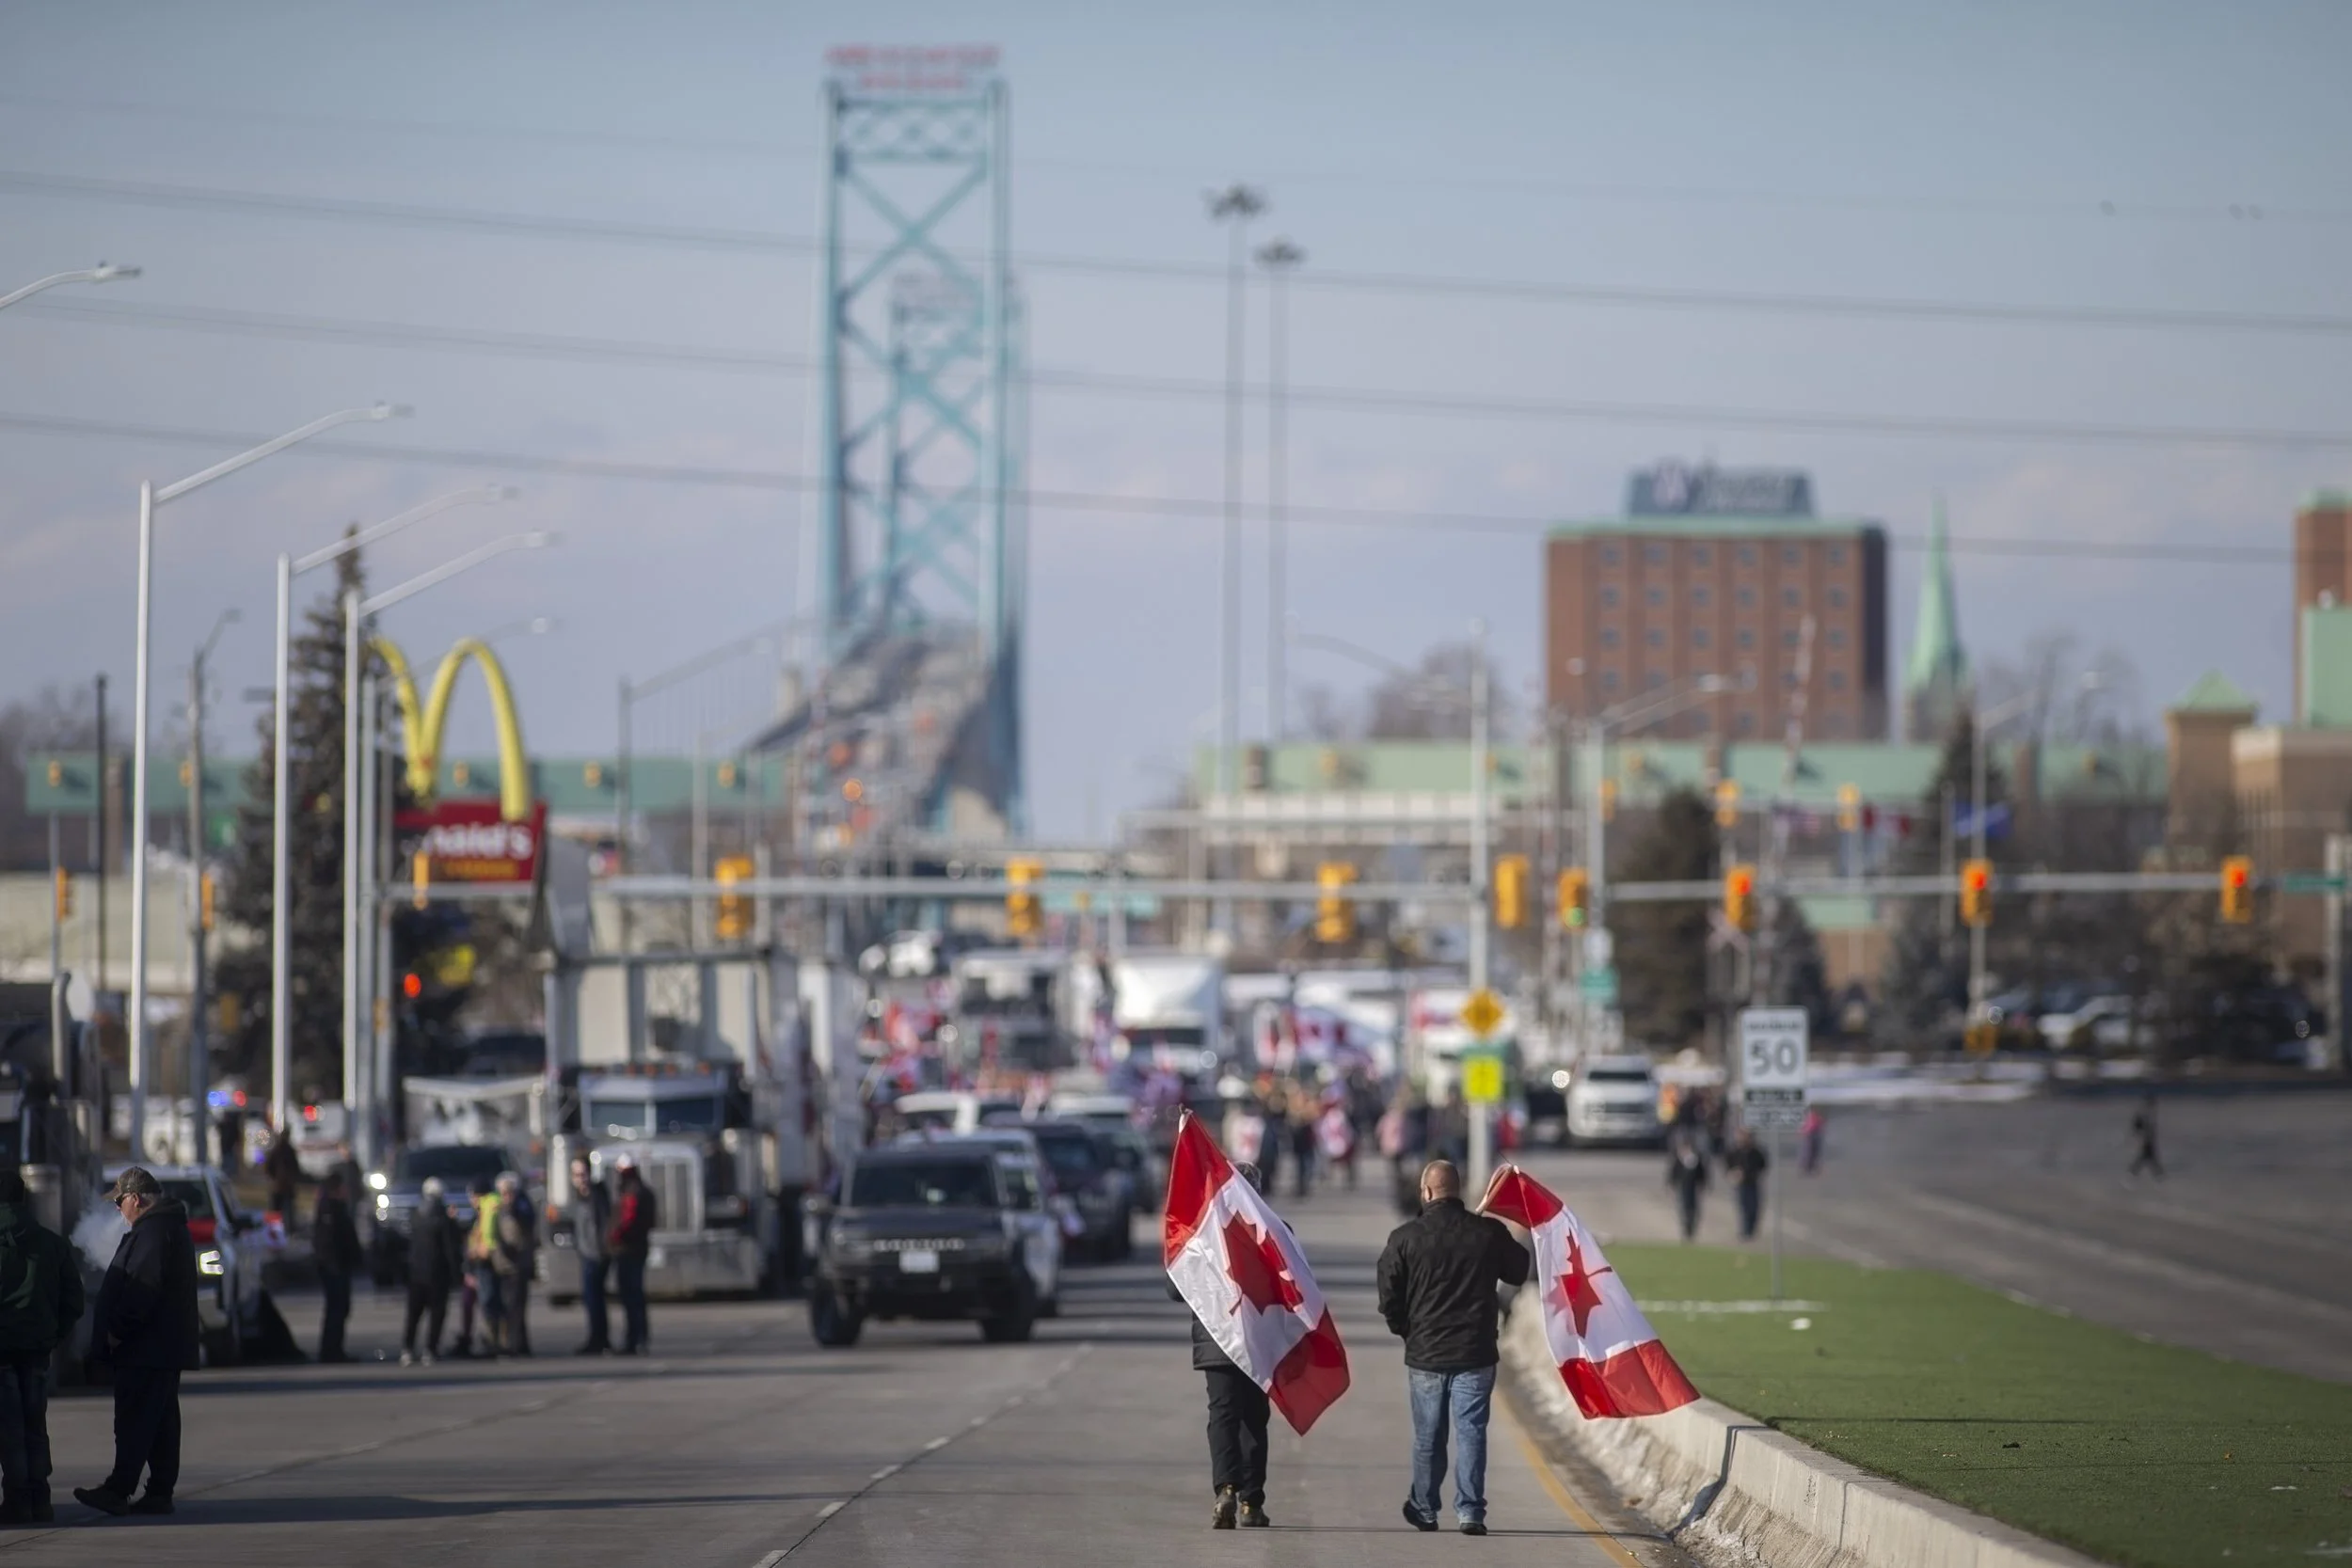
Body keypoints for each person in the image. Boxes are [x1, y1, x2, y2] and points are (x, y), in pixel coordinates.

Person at [1375, 1159, 1531, 1537]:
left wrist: (1405, 1330)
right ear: (1458, 1191)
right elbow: (1519, 1271)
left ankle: (1425, 1508)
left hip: (1426, 1353)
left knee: (1429, 1436)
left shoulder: (1404, 1238)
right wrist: (1515, 1232)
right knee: (1472, 1432)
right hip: (1476, 1352)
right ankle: (1471, 1511)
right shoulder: (1487, 1233)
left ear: (1427, 1192)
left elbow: (1388, 1295)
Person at [75, 1166, 199, 1518]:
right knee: (159, 1422)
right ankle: (159, 1491)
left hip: (147, 1347)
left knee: (135, 1419)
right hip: (158, 1347)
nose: (118, 1210)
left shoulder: (154, 1231)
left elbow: (142, 1288)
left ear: (135, 1198)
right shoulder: (161, 1227)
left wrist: (118, 1329)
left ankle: (119, 1488)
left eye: (119, 1202)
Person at [1169, 1161, 1276, 1529]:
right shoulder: (1274, 1231)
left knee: (1223, 1414)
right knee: (1254, 1419)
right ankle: (1251, 1503)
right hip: (1258, 1340)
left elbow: (1173, 1289)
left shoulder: (1200, 1236)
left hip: (1216, 1339)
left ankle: (1226, 1489)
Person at [0, 1168, 84, 1523]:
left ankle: (18, 1500)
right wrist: (51, 1337)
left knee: (9, 1428)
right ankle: (40, 1498)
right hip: (37, 1350)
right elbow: (73, 1302)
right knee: (35, 1424)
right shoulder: (52, 1243)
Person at [401, 1177, 460, 1366]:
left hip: (416, 1273)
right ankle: (430, 1350)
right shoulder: (443, 1218)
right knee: (436, 1313)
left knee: (413, 1314)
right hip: (437, 1273)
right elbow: (450, 1247)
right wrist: (455, 1273)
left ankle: (407, 1349)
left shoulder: (415, 1216)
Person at [607, 1155, 657, 1355]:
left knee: (631, 1296)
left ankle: (635, 1339)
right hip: (636, 1248)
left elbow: (628, 1221)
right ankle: (639, 1337)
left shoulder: (632, 1192)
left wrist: (613, 1237)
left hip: (629, 1249)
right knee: (635, 1295)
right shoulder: (640, 1190)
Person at [310, 1169, 362, 1363]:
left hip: (340, 1266)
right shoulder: (328, 1210)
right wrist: (334, 1264)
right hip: (333, 1267)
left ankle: (336, 1348)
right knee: (336, 1308)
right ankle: (330, 1350)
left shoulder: (337, 1208)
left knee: (341, 1308)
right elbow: (327, 1242)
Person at [567, 1158, 612, 1355]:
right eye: (576, 1175)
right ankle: (597, 1338)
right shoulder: (578, 1198)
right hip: (586, 1254)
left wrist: (602, 1251)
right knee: (591, 1301)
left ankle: (599, 1340)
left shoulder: (596, 1197)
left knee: (595, 1300)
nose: (581, 1179)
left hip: (597, 1255)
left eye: (583, 1174)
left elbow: (602, 1226)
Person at [449, 1175, 495, 1357]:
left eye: (472, 1195)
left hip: (482, 1265)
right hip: (476, 1265)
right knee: (471, 1304)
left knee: (486, 1304)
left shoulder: (488, 1210)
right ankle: (470, 1339)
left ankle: (488, 1342)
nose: (471, 1200)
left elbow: (483, 1241)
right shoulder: (483, 1212)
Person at [491, 1172, 536, 1356]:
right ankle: (515, 1342)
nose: (506, 1197)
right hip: (504, 1265)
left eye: (509, 1193)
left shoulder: (521, 1207)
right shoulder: (500, 1210)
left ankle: (517, 1344)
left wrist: (514, 1209)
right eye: (503, 1193)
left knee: (516, 1306)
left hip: (519, 1264)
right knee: (509, 1306)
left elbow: (526, 1225)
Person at [468, 1174, 505, 1358]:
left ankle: (492, 1343)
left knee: (488, 1301)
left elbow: (488, 1233)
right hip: (493, 1260)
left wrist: (482, 1250)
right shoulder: (495, 1202)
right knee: (495, 1300)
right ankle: (497, 1342)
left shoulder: (488, 1205)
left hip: (486, 1261)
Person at [1666, 1125, 1708, 1242]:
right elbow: (1673, 1173)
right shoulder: (1679, 1159)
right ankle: (1686, 1230)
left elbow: (1702, 1173)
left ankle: (1691, 1229)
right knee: (1683, 1209)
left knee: (1693, 1210)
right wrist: (1671, 1185)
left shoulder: (1696, 1159)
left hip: (1693, 1188)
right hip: (1682, 1188)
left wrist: (1703, 1185)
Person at [1724, 1128, 1769, 1242]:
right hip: (1741, 1184)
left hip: (1753, 1183)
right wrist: (1733, 1174)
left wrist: (1753, 1174)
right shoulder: (1735, 1151)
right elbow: (1728, 1165)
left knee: (1754, 1207)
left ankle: (1751, 1230)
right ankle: (1745, 1231)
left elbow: (1763, 1165)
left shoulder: (1756, 1152)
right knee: (1743, 1208)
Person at [262, 1127, 301, 1223]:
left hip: (282, 1186)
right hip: (281, 1186)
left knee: (282, 1211)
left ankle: (280, 1227)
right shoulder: (280, 1151)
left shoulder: (283, 1151)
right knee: (279, 1211)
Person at [2129, 1095, 2163, 1180]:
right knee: (2147, 1158)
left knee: (2147, 1158)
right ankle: (2159, 1176)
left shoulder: (2149, 1113)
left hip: (2148, 1140)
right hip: (2145, 1140)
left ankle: (2159, 1175)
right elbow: (2138, 1126)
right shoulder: (2145, 1113)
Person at [1799, 1106, 1825, 1175]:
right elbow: (1804, 1127)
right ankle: (1807, 1167)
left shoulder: (1816, 1117)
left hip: (1814, 1135)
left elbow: (1820, 1125)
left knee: (1813, 1152)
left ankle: (1810, 1167)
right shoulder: (1809, 1117)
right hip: (1810, 1135)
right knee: (1809, 1152)